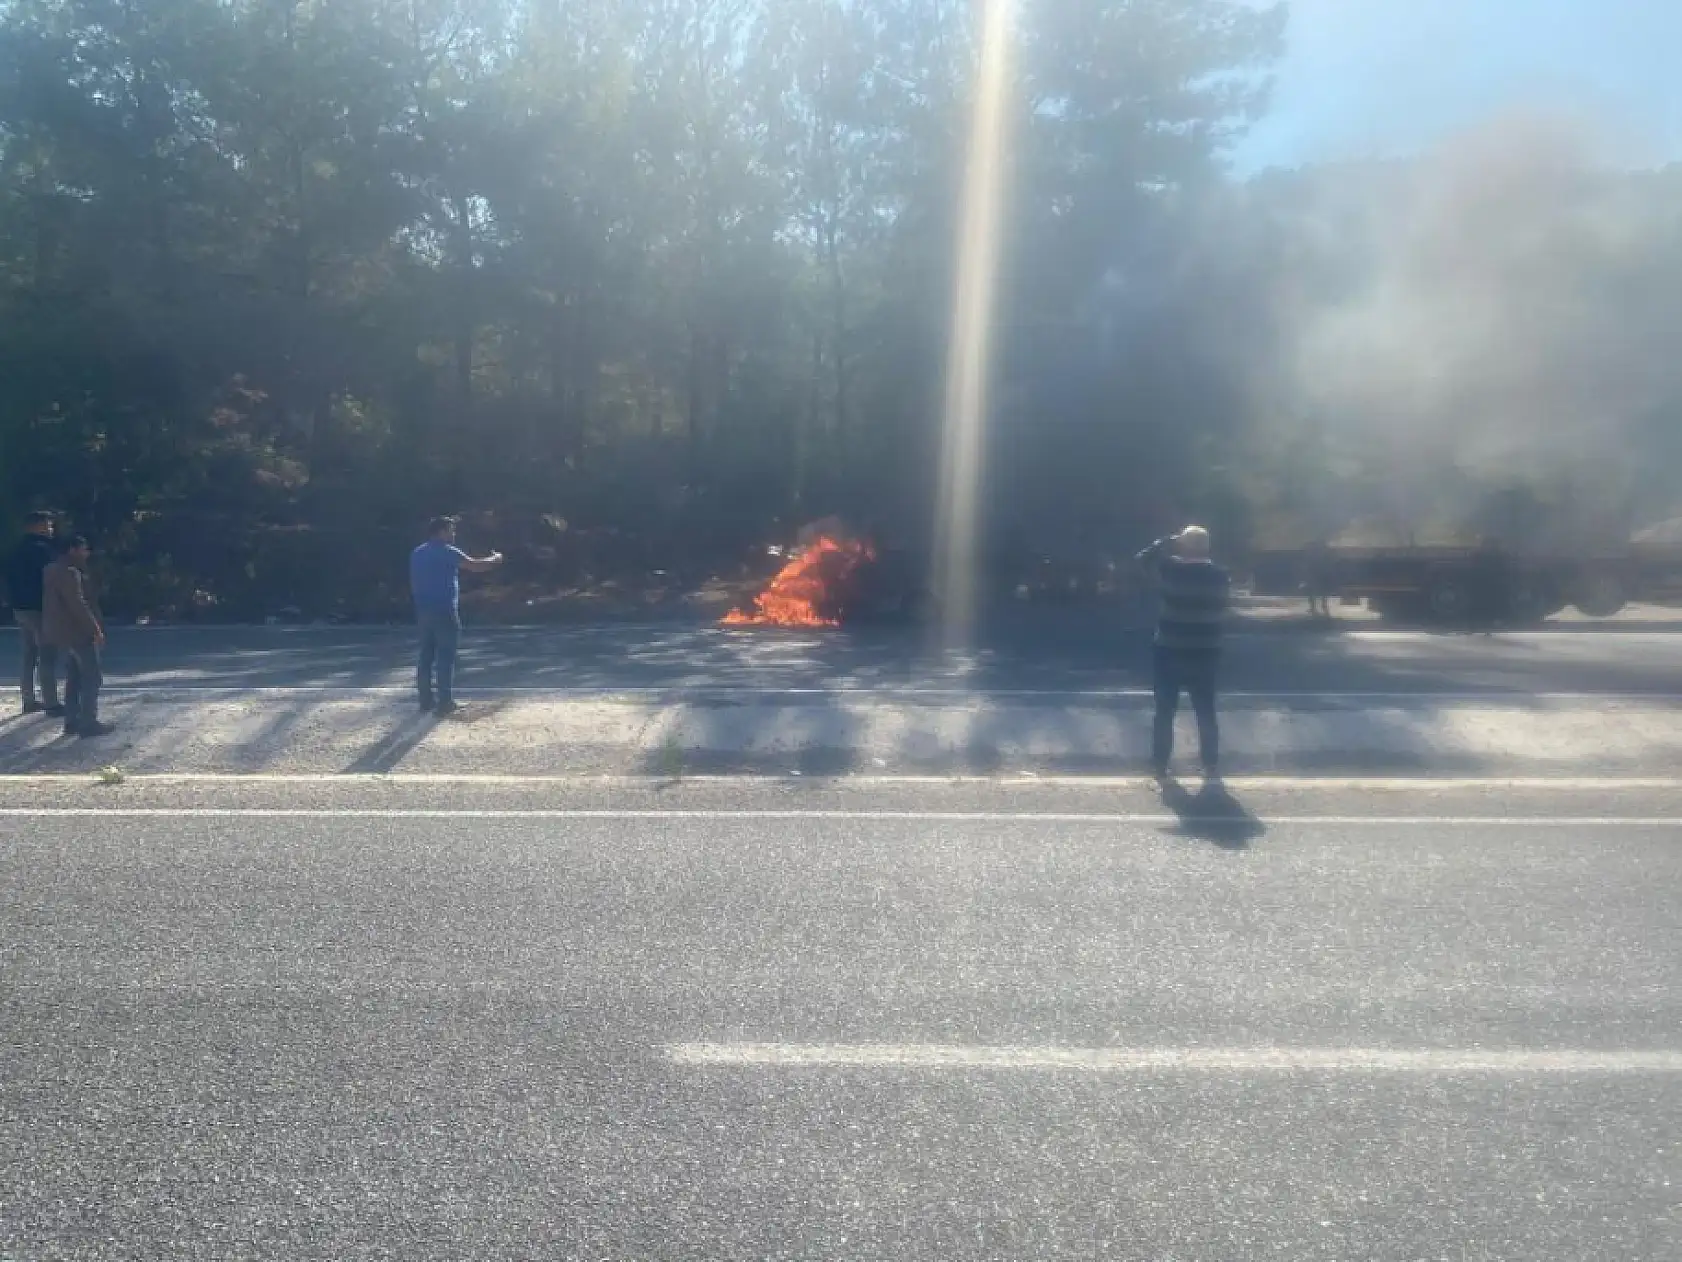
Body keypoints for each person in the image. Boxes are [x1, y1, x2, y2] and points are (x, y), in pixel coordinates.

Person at [1135, 525, 1230, 783]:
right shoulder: (1220, 575)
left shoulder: (1171, 570)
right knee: (1206, 711)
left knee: (1165, 711)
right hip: (1206, 651)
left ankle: (1160, 766)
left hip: (1170, 648)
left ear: (1183, 546)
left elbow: (1142, 559)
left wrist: (1165, 540)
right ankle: (1210, 765)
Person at [410, 516, 502, 715]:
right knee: (446, 655)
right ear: (441, 531)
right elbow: (475, 565)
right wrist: (495, 559)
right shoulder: (446, 551)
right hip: (444, 609)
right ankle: (445, 701)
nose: (453, 534)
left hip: (423, 610)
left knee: (426, 655)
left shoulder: (417, 552)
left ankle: (425, 700)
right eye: (450, 530)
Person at [41, 535, 111, 738]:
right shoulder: (71, 573)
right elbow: (78, 605)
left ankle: (72, 720)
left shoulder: (50, 570)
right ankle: (88, 721)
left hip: (59, 631)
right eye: (83, 549)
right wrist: (95, 628)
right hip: (77, 631)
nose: (86, 553)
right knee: (92, 676)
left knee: (74, 676)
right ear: (72, 550)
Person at [5, 510, 63, 717]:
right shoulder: (44, 550)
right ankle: (51, 702)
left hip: (21, 608)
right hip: (41, 608)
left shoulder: (15, 550)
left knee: (29, 655)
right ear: (36, 526)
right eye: (47, 525)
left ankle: (28, 699)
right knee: (47, 655)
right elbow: (52, 580)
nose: (50, 528)